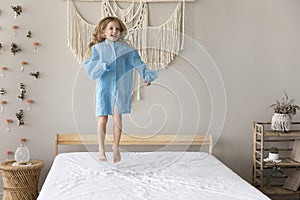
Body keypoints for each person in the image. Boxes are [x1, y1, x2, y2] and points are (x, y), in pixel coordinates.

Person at [83, 16, 158, 163]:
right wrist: (102, 65)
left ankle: (116, 147)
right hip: (104, 88)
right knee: (102, 119)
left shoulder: (126, 49)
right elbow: (90, 69)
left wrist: (146, 76)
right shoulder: (97, 49)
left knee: (118, 118)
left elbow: (138, 63)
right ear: (103, 31)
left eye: (117, 29)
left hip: (121, 87)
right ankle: (101, 149)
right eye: (111, 28)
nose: (114, 31)